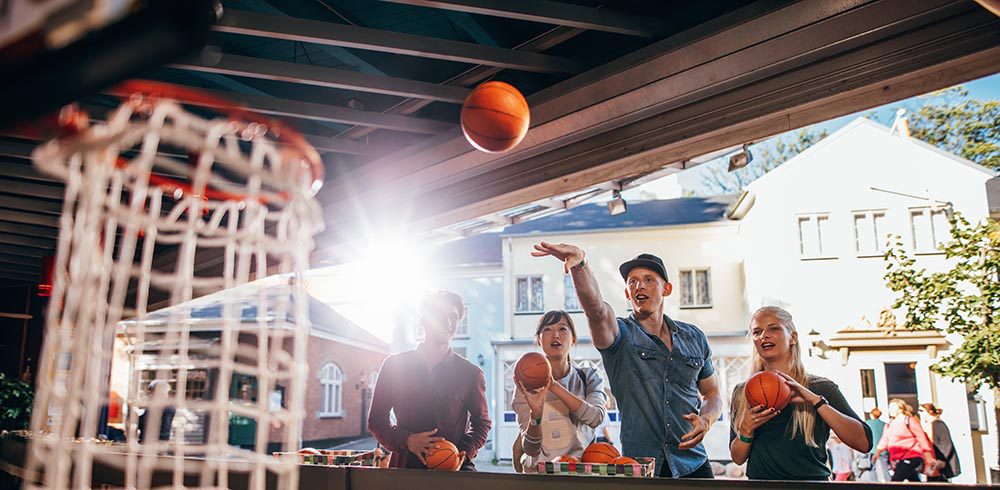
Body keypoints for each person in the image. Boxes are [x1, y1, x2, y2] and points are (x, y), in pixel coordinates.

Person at [532, 245, 723, 478]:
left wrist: (707, 418)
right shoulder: (620, 336)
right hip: (641, 466)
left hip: (694, 463)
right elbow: (596, 311)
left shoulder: (694, 337)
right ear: (627, 293)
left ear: (667, 289)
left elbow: (713, 393)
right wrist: (580, 265)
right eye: (632, 282)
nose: (639, 286)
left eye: (648, 280)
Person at [729, 306, 872, 480]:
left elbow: (864, 443)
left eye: (773, 328)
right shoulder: (743, 393)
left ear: (793, 338)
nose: (764, 336)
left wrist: (816, 402)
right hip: (762, 486)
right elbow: (738, 458)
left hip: (812, 485)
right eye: (757, 332)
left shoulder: (821, 387)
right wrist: (746, 429)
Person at [368, 290, 491, 471]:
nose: (448, 323)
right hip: (405, 471)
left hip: (453, 473)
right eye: (440, 315)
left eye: (453, 317)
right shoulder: (394, 365)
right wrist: (407, 440)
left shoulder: (470, 373)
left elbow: (482, 424)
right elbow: (376, 420)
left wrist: (461, 452)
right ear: (424, 320)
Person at [513, 310, 607, 472]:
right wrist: (535, 415)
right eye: (547, 329)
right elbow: (530, 449)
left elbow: (595, 418)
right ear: (539, 340)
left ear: (574, 339)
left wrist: (554, 386)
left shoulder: (588, 376)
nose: (555, 335)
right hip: (538, 477)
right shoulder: (525, 384)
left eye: (562, 329)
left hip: (579, 475)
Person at [872, 398, 940, 482]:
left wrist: (928, 456)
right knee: (913, 481)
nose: (890, 410)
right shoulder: (889, 424)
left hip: (911, 455)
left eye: (892, 408)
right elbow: (885, 439)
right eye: (889, 408)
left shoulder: (908, 420)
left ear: (900, 409)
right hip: (897, 458)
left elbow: (921, 437)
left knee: (896, 481)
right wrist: (877, 452)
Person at [920, 403, 961, 482]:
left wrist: (942, 459)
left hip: (939, 460)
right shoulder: (929, 425)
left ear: (930, 412)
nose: (920, 413)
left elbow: (946, 443)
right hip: (933, 460)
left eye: (921, 411)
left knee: (938, 481)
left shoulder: (937, 424)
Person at [864, 407, 890, 482]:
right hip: (883, 450)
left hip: (872, 450)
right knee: (884, 470)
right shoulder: (884, 424)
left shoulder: (868, 423)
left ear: (871, 414)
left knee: (874, 470)